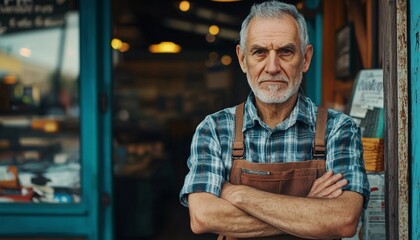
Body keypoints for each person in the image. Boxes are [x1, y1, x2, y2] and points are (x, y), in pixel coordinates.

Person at [179, 1, 370, 239]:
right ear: (241, 59)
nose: (272, 67)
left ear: (306, 59)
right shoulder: (215, 129)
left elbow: (343, 220)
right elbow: (203, 217)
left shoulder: (338, 129)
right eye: (259, 52)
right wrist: (308, 209)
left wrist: (240, 195)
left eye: (285, 52)